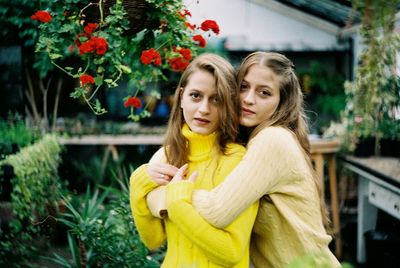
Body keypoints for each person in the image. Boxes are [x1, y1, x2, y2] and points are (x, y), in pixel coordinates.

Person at [146, 51, 341, 267]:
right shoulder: (248, 141)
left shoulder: (273, 140)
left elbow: (217, 210)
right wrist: (147, 183)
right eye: (243, 87)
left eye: (264, 93)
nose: (248, 99)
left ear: (282, 102)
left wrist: (167, 194)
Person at [129, 53, 259, 267]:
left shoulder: (238, 161)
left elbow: (232, 252)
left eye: (216, 99)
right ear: (181, 97)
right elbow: (153, 240)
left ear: (228, 105)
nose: (204, 109)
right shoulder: (166, 156)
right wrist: (137, 184)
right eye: (196, 96)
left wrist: (178, 205)